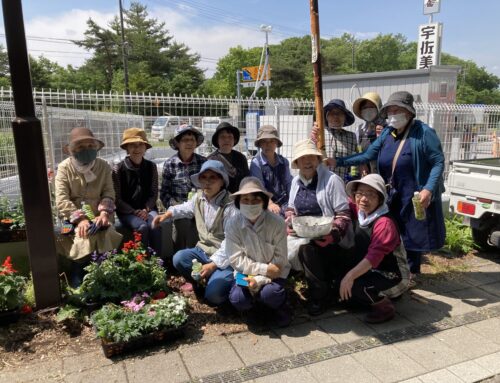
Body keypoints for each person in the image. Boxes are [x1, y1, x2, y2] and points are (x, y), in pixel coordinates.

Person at [335, 91, 446, 280]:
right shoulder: (388, 132)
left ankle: (412, 273)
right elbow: (367, 155)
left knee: (414, 233)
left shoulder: (424, 133)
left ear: (409, 112)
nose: (393, 114)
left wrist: (428, 189)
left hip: (415, 192)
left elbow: (438, 161)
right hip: (393, 191)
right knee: (394, 230)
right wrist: (338, 161)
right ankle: (394, 268)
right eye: (390, 110)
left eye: (398, 110)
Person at [153, 160, 235, 306]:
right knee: (179, 258)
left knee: (214, 297)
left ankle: (227, 289)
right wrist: (167, 214)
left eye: (213, 178)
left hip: (226, 258)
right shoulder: (199, 198)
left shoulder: (230, 206)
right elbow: (184, 208)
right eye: (204, 177)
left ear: (222, 181)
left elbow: (232, 242)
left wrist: (213, 265)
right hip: (203, 251)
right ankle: (206, 281)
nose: (207, 182)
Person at [286, 139, 353, 316]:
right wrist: (291, 223)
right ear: (297, 163)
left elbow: (344, 215)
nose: (307, 161)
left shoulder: (332, 180)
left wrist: (332, 235)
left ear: (318, 160)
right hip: (304, 232)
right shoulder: (295, 182)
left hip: (331, 237)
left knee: (306, 249)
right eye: (302, 158)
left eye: (312, 157)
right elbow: (291, 209)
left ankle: (319, 295)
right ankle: (286, 292)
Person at [335, 174, 410, 323]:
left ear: (380, 199)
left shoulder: (384, 223)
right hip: (373, 269)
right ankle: (370, 297)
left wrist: (350, 276)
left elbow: (373, 257)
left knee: (356, 286)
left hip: (393, 274)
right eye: (360, 193)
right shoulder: (360, 211)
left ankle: (384, 306)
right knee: (340, 282)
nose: (363, 199)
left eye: (370, 195)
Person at [55, 127, 122, 287]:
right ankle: (78, 270)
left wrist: (104, 213)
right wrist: (81, 219)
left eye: (90, 146)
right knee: (75, 233)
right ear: (72, 150)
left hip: (99, 215)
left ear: (96, 147)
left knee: (105, 229)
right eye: (80, 147)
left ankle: (104, 270)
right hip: (70, 218)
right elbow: (62, 200)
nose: (87, 150)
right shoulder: (64, 168)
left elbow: (109, 192)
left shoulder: (104, 166)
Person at [226, 177, 292, 327]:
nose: (250, 204)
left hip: (276, 273)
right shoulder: (232, 225)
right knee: (238, 298)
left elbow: (279, 261)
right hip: (247, 272)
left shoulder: (277, 223)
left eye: (255, 199)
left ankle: (280, 306)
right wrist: (263, 270)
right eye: (245, 199)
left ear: (263, 201)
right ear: (238, 202)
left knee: (270, 294)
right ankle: (254, 309)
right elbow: (236, 260)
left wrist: (261, 279)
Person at [160, 124, 206, 262]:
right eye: (185, 140)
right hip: (178, 205)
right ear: (177, 143)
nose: (189, 143)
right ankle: (179, 264)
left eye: (192, 139)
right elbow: (164, 193)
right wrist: (175, 206)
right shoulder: (170, 164)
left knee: (200, 228)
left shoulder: (203, 162)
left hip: (200, 205)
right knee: (182, 224)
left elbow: (209, 187)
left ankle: (199, 265)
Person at [112, 128, 161, 252]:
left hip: (148, 208)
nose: (137, 149)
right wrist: (134, 211)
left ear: (145, 148)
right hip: (127, 211)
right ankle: (142, 262)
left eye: (140, 145)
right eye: (132, 145)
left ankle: (158, 263)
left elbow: (154, 192)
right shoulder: (118, 169)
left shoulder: (151, 166)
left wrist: (146, 209)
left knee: (155, 223)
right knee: (142, 226)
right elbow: (117, 198)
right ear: (127, 148)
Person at [249, 125, 292, 216]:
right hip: (264, 202)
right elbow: (259, 188)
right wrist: (270, 203)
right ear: (260, 144)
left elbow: (289, 184)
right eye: (264, 141)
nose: (268, 144)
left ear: (276, 143)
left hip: (285, 202)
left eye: (272, 141)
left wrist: (292, 204)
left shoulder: (284, 162)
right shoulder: (256, 163)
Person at [311, 99, 358, 181]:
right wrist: (313, 138)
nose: (336, 116)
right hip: (321, 181)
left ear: (344, 117)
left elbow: (355, 161)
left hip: (342, 183)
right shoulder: (319, 133)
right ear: (326, 116)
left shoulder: (352, 137)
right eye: (332, 113)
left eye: (339, 113)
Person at [207, 122, 249, 193]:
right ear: (217, 140)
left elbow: (247, 180)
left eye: (230, 137)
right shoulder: (211, 160)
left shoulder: (241, 158)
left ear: (234, 140)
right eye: (222, 137)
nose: (226, 140)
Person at [352, 92, 385, 175]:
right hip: (366, 174)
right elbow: (357, 149)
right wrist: (361, 164)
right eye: (365, 108)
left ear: (379, 108)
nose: (368, 110)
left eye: (371, 107)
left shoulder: (388, 127)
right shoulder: (360, 130)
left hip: (384, 172)